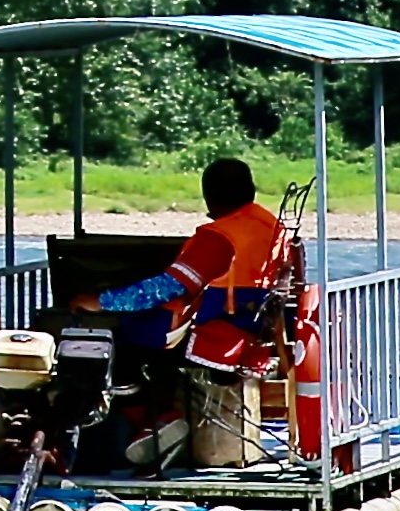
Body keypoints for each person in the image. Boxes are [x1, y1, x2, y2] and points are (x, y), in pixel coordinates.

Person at [97, 155, 292, 467]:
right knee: (153, 335)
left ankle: (159, 419)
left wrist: (102, 302)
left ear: (210, 196)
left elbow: (166, 287)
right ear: (251, 191)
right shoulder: (273, 229)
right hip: (253, 330)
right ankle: (163, 419)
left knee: (120, 347)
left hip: (217, 338)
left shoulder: (219, 237)